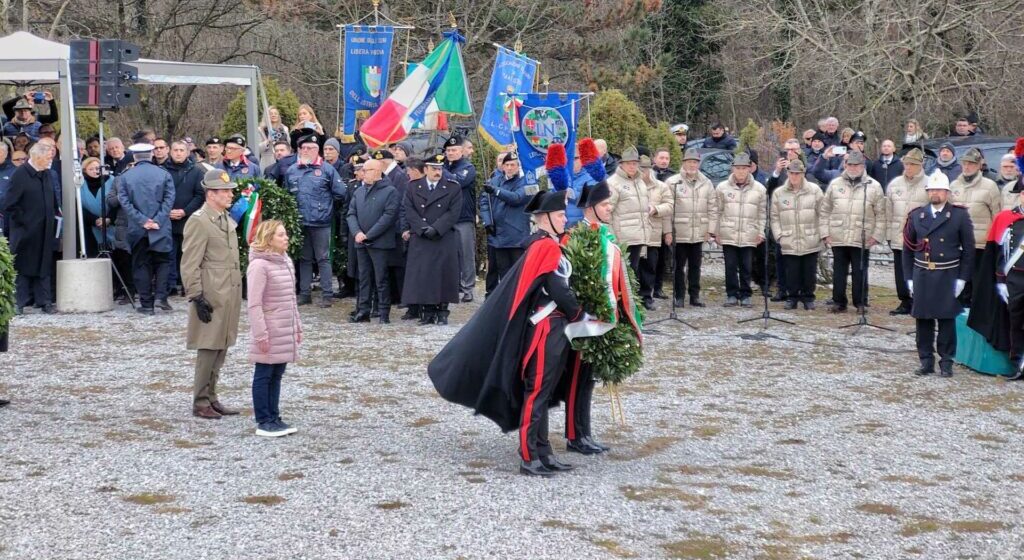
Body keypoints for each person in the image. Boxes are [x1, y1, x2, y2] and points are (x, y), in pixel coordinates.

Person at [428, 189, 585, 477]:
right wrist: (580, 314)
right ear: (545, 218)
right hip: (546, 329)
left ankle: (544, 451)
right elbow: (559, 289)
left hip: (554, 327)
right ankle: (529, 456)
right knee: (537, 392)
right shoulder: (545, 247)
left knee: (545, 392)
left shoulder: (548, 244)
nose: (566, 219)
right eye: (561, 215)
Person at [564, 139, 643, 455]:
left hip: (602, 319)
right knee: (576, 382)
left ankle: (584, 433)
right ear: (590, 208)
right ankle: (574, 435)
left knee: (588, 381)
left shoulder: (606, 234)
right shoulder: (577, 237)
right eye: (607, 205)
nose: (611, 208)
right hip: (583, 321)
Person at [182, 168, 243, 419]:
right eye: (225, 191)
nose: (230, 195)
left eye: (230, 191)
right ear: (210, 194)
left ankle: (212, 395)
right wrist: (196, 295)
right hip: (211, 291)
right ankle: (200, 400)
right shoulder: (199, 220)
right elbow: (189, 262)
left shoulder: (222, 217)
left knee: (221, 345)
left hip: (227, 291)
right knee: (208, 347)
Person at [903, 176, 974, 377]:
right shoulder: (917, 215)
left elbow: (969, 250)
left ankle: (946, 362)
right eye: (932, 190)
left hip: (947, 273)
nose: (935, 193)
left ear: (947, 193)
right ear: (927, 192)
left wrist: (962, 279)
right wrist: (908, 278)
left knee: (946, 320)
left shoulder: (959, 215)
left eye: (940, 190)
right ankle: (926, 361)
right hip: (923, 273)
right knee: (923, 319)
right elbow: (907, 250)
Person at [246, 219, 302, 437]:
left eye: (285, 234)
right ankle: (264, 420)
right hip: (269, 328)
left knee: (277, 372)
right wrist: (260, 333)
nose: (286, 237)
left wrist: (297, 325)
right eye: (281, 235)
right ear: (269, 239)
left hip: (284, 328)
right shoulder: (259, 266)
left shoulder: (285, 260)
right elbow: (254, 303)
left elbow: (291, 299)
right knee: (264, 373)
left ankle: (274, 416)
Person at [819, 151, 886, 313]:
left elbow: (881, 214)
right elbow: (824, 211)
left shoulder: (873, 186)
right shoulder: (835, 184)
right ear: (845, 165)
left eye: (856, 165)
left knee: (860, 271)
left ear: (862, 166)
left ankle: (860, 302)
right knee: (839, 272)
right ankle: (838, 302)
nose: (853, 168)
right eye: (850, 164)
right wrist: (825, 233)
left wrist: (876, 236)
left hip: (862, 236)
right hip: (838, 235)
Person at [286, 134, 347, 307]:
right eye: (303, 148)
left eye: (310, 148)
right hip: (300, 222)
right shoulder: (292, 171)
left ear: (317, 150)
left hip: (321, 222)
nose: (306, 151)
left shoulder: (327, 169)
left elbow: (340, 192)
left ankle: (327, 294)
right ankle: (305, 293)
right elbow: (287, 194)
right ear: (299, 150)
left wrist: (326, 207)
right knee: (304, 258)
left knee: (323, 258)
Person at [401, 155, 463, 325]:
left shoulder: (452, 187)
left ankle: (443, 311)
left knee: (444, 274)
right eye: (434, 168)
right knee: (424, 275)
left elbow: (454, 212)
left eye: (440, 168)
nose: (438, 172)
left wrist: (436, 228)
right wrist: (421, 228)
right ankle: (427, 312)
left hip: (443, 236)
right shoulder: (413, 187)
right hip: (421, 237)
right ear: (426, 169)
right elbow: (409, 209)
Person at [117, 143, 176, 314]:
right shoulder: (164, 174)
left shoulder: (125, 176)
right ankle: (160, 297)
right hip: (161, 226)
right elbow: (169, 199)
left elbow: (125, 202)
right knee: (163, 262)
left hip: (137, 228)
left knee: (140, 264)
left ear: (134, 157)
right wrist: (157, 219)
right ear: (151, 155)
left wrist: (142, 220)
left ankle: (147, 304)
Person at [0, 143, 57, 313]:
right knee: (22, 266)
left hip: (45, 228)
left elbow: (52, 197)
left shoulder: (46, 173)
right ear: (37, 157)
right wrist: (24, 221)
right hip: (25, 230)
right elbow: (8, 204)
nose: (50, 160)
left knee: (44, 264)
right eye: (48, 157)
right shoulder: (20, 174)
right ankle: (19, 303)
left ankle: (45, 301)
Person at [710, 152, 766, 307]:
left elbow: (762, 213)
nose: (741, 171)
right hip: (728, 232)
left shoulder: (759, 189)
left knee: (747, 266)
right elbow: (717, 211)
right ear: (732, 169)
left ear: (749, 169)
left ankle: (746, 294)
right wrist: (716, 231)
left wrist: (761, 232)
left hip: (749, 232)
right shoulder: (722, 187)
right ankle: (732, 294)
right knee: (730, 265)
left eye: (744, 168)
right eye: (738, 168)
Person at [347, 158, 399, 323]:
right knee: (363, 277)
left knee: (381, 279)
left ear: (377, 172)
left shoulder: (390, 191)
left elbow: (389, 216)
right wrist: (357, 232)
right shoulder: (359, 191)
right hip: (361, 242)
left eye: (366, 170)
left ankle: (384, 313)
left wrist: (369, 234)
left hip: (380, 243)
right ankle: (363, 310)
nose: (362, 173)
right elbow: (351, 213)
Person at [608, 146, 660, 309]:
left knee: (634, 271)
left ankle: (632, 303)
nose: (632, 166)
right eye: (629, 163)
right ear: (622, 164)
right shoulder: (613, 183)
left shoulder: (640, 182)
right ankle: (623, 305)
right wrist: (612, 236)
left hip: (638, 235)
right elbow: (608, 211)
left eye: (635, 163)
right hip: (622, 236)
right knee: (624, 272)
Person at [950, 147, 1001, 307]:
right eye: (965, 163)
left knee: (979, 285)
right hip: (958, 245)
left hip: (980, 244)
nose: (967, 166)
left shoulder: (990, 186)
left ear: (979, 165)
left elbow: (996, 215)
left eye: (971, 163)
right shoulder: (954, 185)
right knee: (960, 284)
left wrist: (993, 242)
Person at [770, 160, 823, 310]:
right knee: (791, 271)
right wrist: (779, 235)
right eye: (792, 173)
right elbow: (774, 217)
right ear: (787, 173)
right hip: (789, 237)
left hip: (810, 236)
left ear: (803, 174)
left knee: (809, 270)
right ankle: (791, 297)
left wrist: (820, 233)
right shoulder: (779, 193)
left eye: (797, 174)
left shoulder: (815, 190)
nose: (794, 176)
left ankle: (808, 297)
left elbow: (823, 213)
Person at [665, 149, 715, 307]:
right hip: (679, 231)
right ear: (683, 163)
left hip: (698, 231)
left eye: (695, 162)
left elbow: (712, 207)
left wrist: (710, 229)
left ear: (698, 164)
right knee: (678, 266)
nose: (692, 165)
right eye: (689, 162)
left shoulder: (706, 182)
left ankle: (694, 296)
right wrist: (667, 231)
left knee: (696, 266)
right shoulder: (673, 182)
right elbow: (667, 209)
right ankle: (678, 296)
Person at [885, 148, 930, 315]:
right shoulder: (895, 184)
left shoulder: (929, 184)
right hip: (899, 234)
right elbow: (888, 211)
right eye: (906, 164)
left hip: (920, 238)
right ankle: (904, 301)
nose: (908, 167)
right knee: (900, 270)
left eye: (912, 164)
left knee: (920, 269)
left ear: (920, 166)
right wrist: (889, 234)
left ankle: (920, 300)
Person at [480, 152, 530, 297]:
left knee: (517, 273)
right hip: (498, 236)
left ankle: (518, 300)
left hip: (516, 235)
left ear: (518, 166)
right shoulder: (495, 180)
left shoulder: (526, 181)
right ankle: (503, 301)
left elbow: (517, 198)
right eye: (506, 165)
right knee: (503, 272)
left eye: (512, 165)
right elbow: (484, 202)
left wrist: (496, 191)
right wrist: (488, 222)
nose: (509, 168)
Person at [163, 141, 206, 297]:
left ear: (188, 152)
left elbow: (200, 195)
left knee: (188, 255)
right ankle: (171, 285)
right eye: (175, 150)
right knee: (169, 254)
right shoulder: (163, 171)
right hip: (167, 218)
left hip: (189, 219)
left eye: (182, 150)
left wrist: (185, 211)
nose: (178, 153)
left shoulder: (196, 171)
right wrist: (167, 211)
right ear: (170, 152)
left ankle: (187, 285)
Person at [444, 134, 478, 302]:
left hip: (463, 217)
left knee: (466, 254)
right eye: (448, 150)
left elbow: (458, 182)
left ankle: (468, 288)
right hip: (446, 217)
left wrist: (440, 171)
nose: (450, 153)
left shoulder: (468, 167)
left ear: (462, 151)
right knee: (450, 255)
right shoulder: (443, 165)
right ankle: (453, 286)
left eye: (454, 150)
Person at [640, 155, 673, 301]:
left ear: (650, 170)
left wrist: (656, 209)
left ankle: (647, 296)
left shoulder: (661, 187)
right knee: (634, 266)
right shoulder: (630, 186)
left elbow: (669, 207)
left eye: (645, 169)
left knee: (651, 266)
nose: (642, 172)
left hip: (653, 233)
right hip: (634, 233)